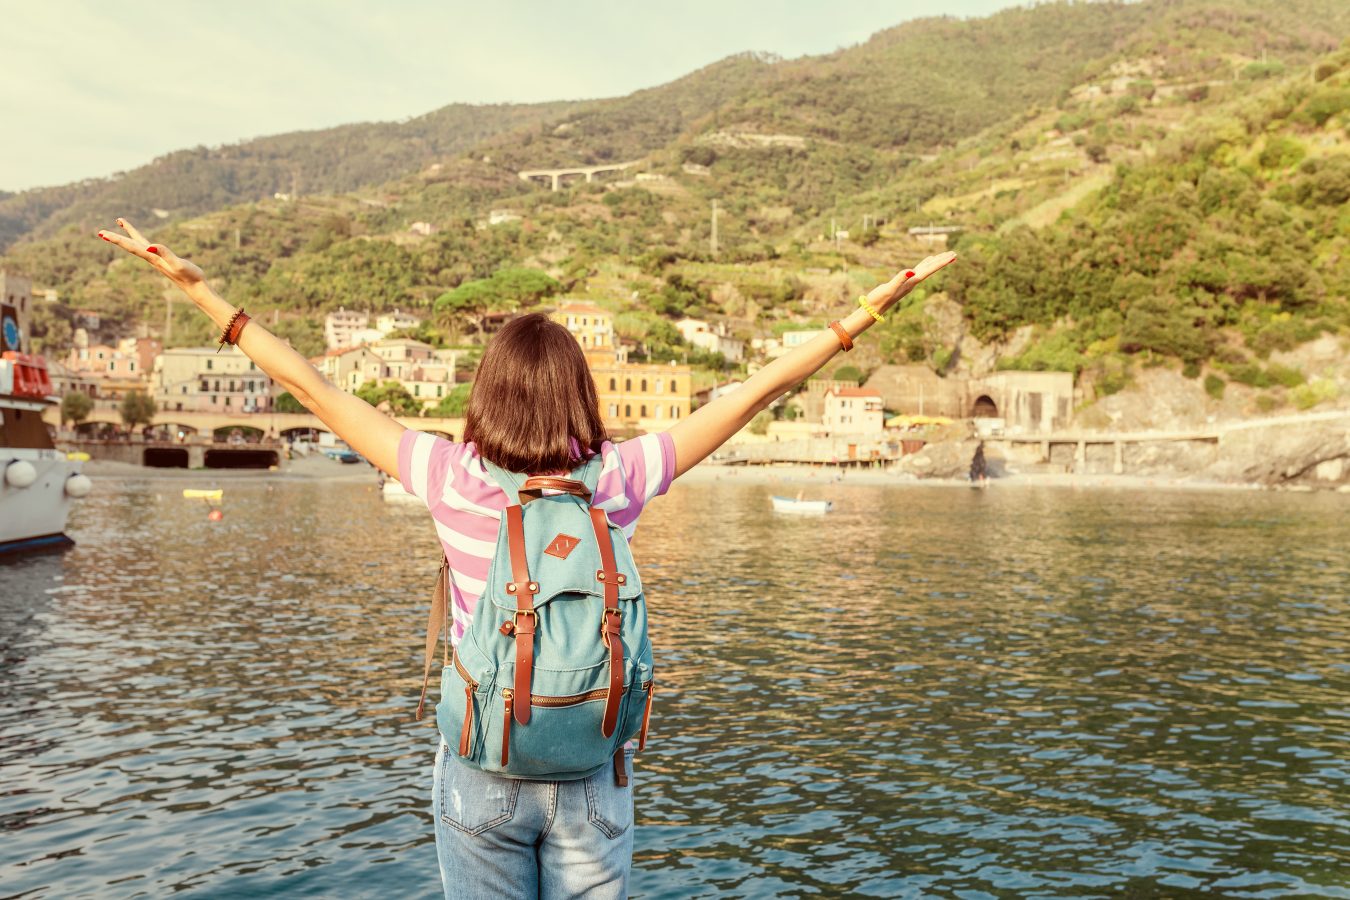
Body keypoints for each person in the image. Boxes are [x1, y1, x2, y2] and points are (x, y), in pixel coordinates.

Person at [97, 218, 955, 898]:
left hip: (483, 766)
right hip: (592, 767)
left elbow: (313, 389)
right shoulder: (615, 480)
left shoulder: (448, 476)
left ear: (487, 393)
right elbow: (753, 392)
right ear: (582, 393)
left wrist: (202, 292)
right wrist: (861, 315)